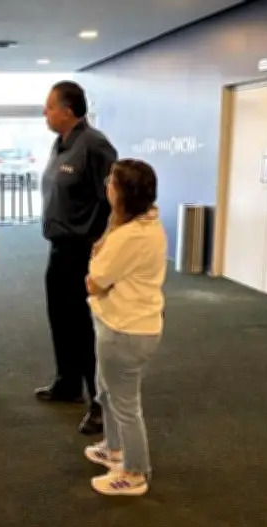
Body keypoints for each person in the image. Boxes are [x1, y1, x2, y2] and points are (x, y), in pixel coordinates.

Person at [36, 80, 117, 435]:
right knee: (61, 319)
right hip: (59, 249)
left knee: (85, 328)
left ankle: (99, 402)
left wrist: (104, 247)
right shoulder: (61, 143)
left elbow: (114, 201)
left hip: (84, 251)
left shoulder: (95, 146)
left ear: (68, 111)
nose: (45, 112)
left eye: (50, 106)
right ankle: (67, 382)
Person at [83, 159, 167, 496]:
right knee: (107, 391)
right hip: (127, 324)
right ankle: (114, 449)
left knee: (125, 405)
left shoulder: (130, 236)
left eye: (111, 182)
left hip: (125, 330)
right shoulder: (147, 223)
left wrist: (98, 272)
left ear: (121, 193)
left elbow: (94, 281)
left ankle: (134, 473)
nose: (107, 185)